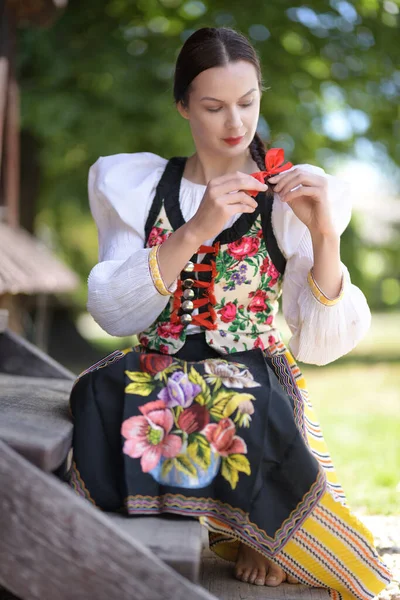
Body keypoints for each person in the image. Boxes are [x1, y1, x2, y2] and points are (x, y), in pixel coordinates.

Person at [69, 27, 391, 598]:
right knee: (102, 392)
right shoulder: (137, 186)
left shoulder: (291, 197)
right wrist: (194, 230)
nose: (235, 123)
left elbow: (318, 345)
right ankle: (161, 516)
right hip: (161, 362)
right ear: (183, 107)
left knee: (244, 401)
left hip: (250, 367)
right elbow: (113, 314)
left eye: (247, 102)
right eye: (214, 107)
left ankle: (256, 531)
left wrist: (323, 233)